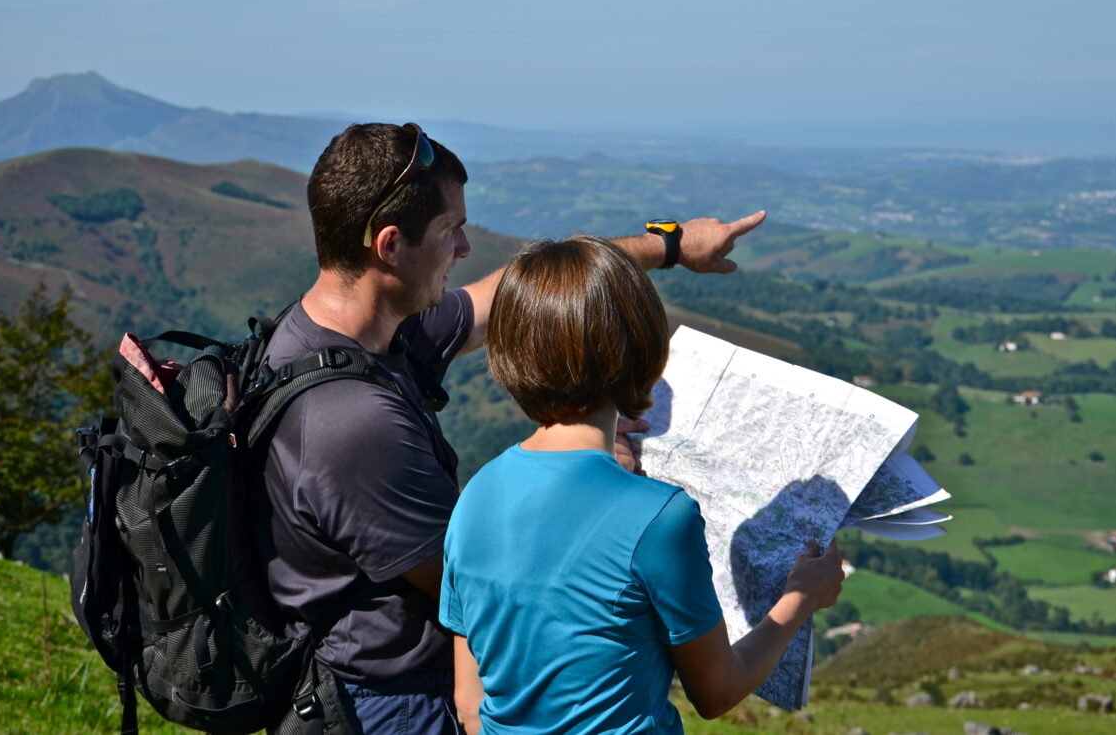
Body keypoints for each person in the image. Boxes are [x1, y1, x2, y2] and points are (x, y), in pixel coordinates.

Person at [255, 122, 766, 734]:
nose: (467, 247)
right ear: (390, 246)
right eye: (450, 231)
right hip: (393, 702)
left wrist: (674, 245)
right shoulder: (350, 422)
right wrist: (607, 486)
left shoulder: (369, 330)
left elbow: (522, 293)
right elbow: (502, 576)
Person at [440, 236, 845, 733]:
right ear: (647, 356)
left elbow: (468, 700)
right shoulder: (660, 516)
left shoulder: (474, 495)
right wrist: (801, 597)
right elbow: (716, 692)